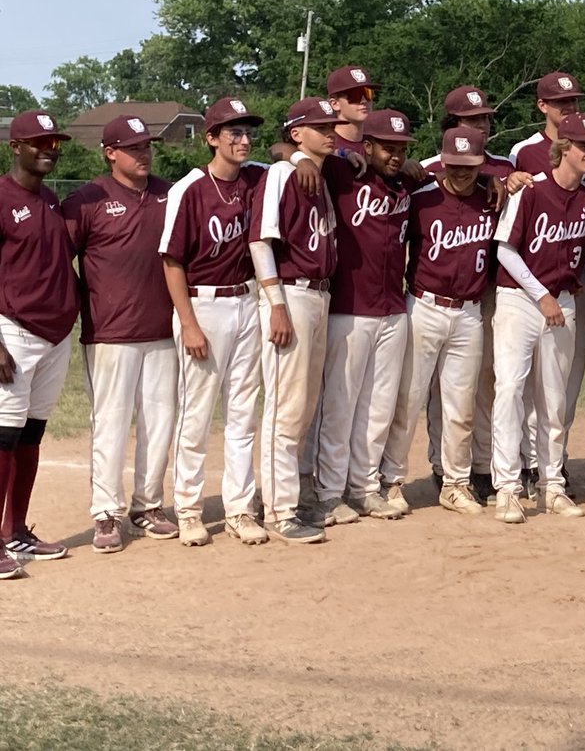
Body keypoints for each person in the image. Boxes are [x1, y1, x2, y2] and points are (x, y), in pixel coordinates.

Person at [64, 115, 178, 554]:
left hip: (162, 329)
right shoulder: (87, 199)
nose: (143, 153)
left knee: (159, 421)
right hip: (110, 333)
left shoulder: (169, 193)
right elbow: (58, 258)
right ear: (110, 152)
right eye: (133, 148)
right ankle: (105, 512)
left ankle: (148, 505)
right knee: (110, 424)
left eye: (146, 146)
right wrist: (82, 301)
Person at [160, 98, 268, 547]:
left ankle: (240, 507)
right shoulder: (189, 189)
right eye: (233, 133)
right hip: (203, 306)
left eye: (247, 133)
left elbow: (291, 157)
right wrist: (188, 322)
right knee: (198, 412)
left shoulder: (257, 178)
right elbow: (172, 261)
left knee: (243, 414)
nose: (243, 141)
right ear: (210, 139)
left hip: (246, 302)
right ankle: (188, 507)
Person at [491, 111, 585, 523]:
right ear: (563, 149)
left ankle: (552, 484)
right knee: (510, 391)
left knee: (554, 400)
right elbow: (505, 249)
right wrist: (541, 295)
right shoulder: (531, 191)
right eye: (584, 146)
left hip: (563, 303)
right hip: (519, 299)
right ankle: (507, 488)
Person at [391, 125, 498, 514]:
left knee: (461, 405)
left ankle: (455, 482)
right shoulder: (421, 199)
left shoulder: (491, 198)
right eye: (454, 164)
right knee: (408, 398)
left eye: (470, 165)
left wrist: (493, 180)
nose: (461, 172)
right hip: (423, 306)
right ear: (442, 161)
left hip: (469, 312)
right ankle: (391, 480)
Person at [249, 98, 341, 544]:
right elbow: (260, 241)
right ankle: (279, 510)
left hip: (318, 296)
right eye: (320, 126)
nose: (331, 132)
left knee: (302, 406)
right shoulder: (282, 174)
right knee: (285, 407)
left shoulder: (318, 174)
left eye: (331, 125)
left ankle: (288, 500)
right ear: (296, 133)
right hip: (291, 294)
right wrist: (277, 302)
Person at [313, 109, 412, 525]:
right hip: (349, 309)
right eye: (387, 147)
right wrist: (313, 156)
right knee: (339, 406)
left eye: (401, 148)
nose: (395, 155)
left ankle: (365, 487)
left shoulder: (409, 182)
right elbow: (285, 149)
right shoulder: (341, 172)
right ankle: (328, 493)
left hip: (393, 308)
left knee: (378, 407)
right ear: (366, 146)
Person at [0, 110, 79, 576]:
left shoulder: (50, 200)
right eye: (40, 142)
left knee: (31, 436)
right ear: (15, 147)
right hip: (12, 331)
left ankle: (16, 532)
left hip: (54, 336)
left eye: (54, 142)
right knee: (4, 438)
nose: (50, 149)